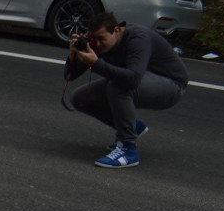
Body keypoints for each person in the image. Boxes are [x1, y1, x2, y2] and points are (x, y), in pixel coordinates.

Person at [64, 12, 188, 169]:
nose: (99, 44)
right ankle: (133, 127)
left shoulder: (138, 38)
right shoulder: (96, 43)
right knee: (80, 98)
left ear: (116, 31)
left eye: (102, 39)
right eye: (94, 40)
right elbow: (70, 76)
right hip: (140, 81)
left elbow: (133, 79)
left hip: (171, 85)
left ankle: (128, 149)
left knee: (118, 87)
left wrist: (96, 64)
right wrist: (74, 55)